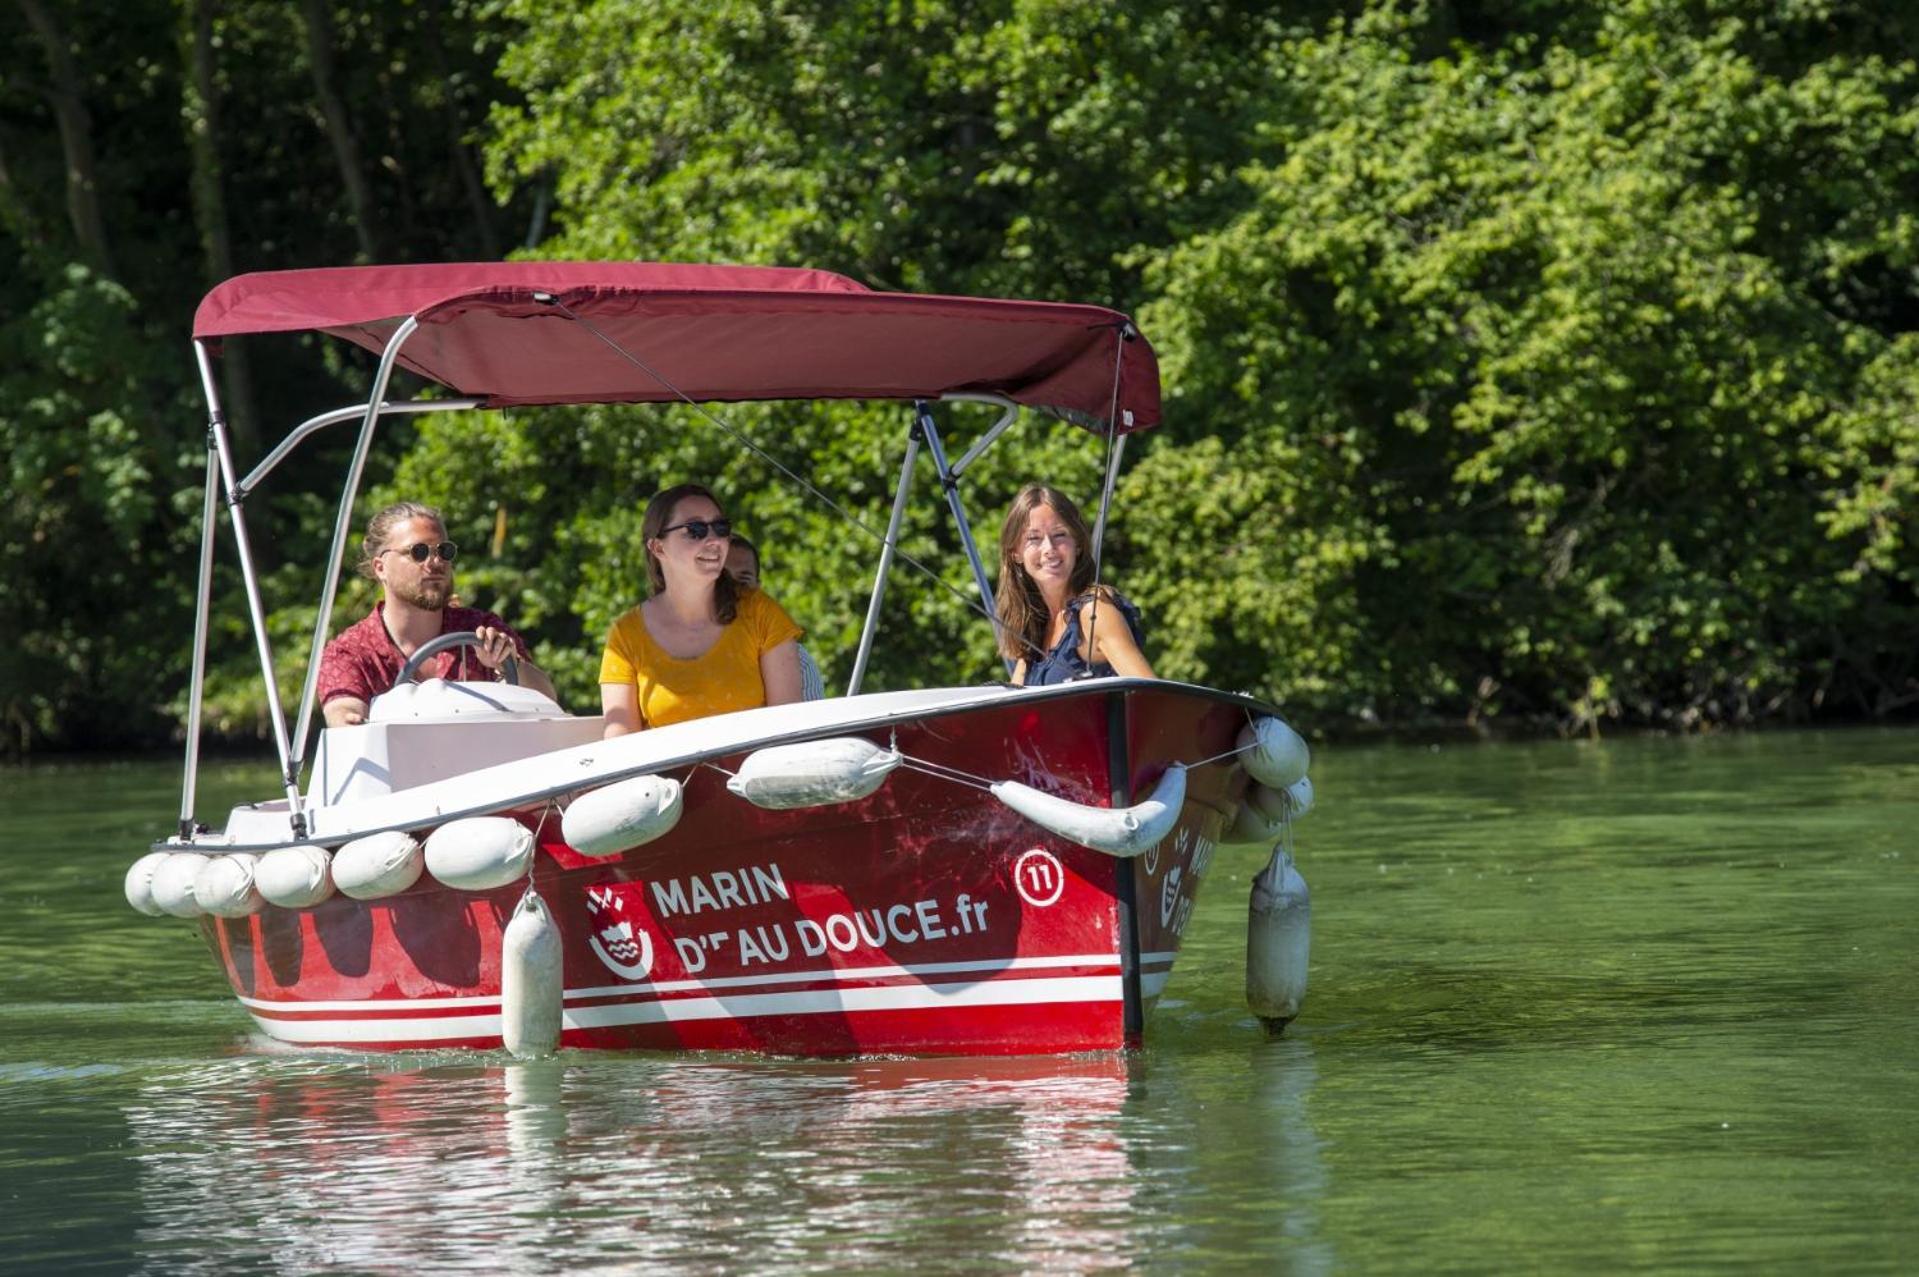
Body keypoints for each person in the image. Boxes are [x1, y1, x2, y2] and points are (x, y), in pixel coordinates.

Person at [319, 501, 557, 727]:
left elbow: (547, 700)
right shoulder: (351, 652)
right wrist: (347, 720)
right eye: (419, 552)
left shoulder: (482, 629)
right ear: (381, 568)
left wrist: (508, 663)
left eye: (445, 550)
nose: (435, 562)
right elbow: (342, 709)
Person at [600, 484, 805, 736]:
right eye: (695, 530)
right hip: (665, 776)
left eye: (720, 528)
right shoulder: (625, 636)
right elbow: (621, 749)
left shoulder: (762, 613)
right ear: (658, 548)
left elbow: (789, 731)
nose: (714, 540)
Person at [994, 482, 1154, 686]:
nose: (1049, 548)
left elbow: (1152, 697)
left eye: (1059, 535)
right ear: (1015, 553)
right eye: (1034, 538)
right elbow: (1012, 711)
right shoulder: (1035, 627)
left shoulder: (1094, 611)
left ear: (1077, 544)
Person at [725, 533, 827, 701]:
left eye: (743, 582)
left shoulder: (797, 661)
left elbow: (808, 724)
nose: (732, 590)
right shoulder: (678, 647)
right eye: (721, 581)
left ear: (758, 588)